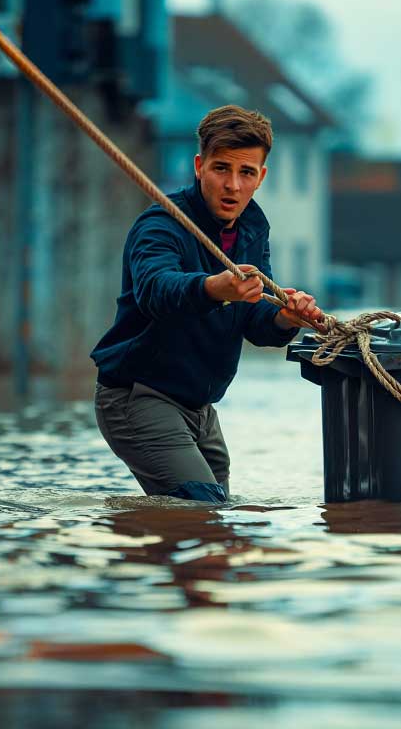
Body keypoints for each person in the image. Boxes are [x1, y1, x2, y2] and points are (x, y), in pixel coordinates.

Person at [90, 105, 324, 503]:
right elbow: (155, 290)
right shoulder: (160, 224)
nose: (232, 185)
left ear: (261, 177)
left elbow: (254, 320)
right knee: (204, 508)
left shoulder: (253, 227)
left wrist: (285, 318)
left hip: (200, 408)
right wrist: (215, 288)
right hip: (137, 395)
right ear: (199, 166)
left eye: (246, 173)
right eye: (221, 169)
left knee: (216, 523)